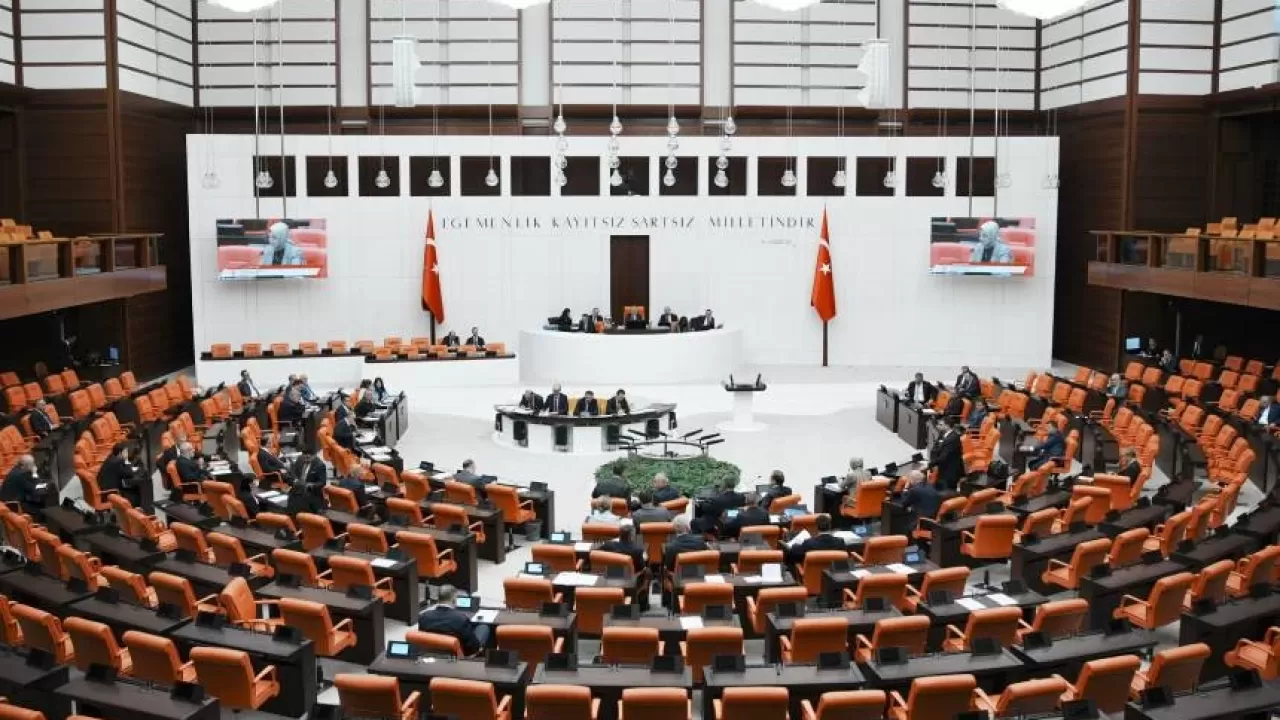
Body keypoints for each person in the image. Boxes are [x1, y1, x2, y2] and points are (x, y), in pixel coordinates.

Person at [417, 585, 489, 655]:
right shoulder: (461, 619)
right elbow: (472, 646)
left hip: (430, 653)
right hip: (458, 656)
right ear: (454, 599)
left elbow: (422, 639)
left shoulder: (424, 616)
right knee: (483, 627)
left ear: (438, 598)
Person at [97, 443, 140, 507]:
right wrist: (126, 461)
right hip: (111, 494)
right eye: (125, 452)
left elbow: (122, 472)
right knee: (135, 493)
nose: (127, 455)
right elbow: (130, 474)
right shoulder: (118, 461)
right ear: (120, 453)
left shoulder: (110, 458)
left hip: (104, 492)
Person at [928, 419, 964, 491]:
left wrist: (930, 463)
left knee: (947, 491)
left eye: (941, 425)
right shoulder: (943, 434)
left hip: (950, 471)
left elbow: (944, 456)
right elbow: (935, 448)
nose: (938, 426)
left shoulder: (953, 438)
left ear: (947, 426)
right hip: (942, 468)